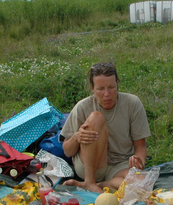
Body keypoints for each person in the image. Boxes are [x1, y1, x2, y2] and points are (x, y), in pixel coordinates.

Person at [60, 62, 151, 193]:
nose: (107, 94)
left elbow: (140, 147)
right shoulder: (82, 107)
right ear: (92, 88)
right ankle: (89, 182)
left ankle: (101, 184)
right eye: (101, 89)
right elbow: (67, 151)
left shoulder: (132, 104)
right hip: (91, 167)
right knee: (96, 117)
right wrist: (76, 137)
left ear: (117, 84)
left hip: (120, 165)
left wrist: (139, 163)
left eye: (111, 87)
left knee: (141, 185)